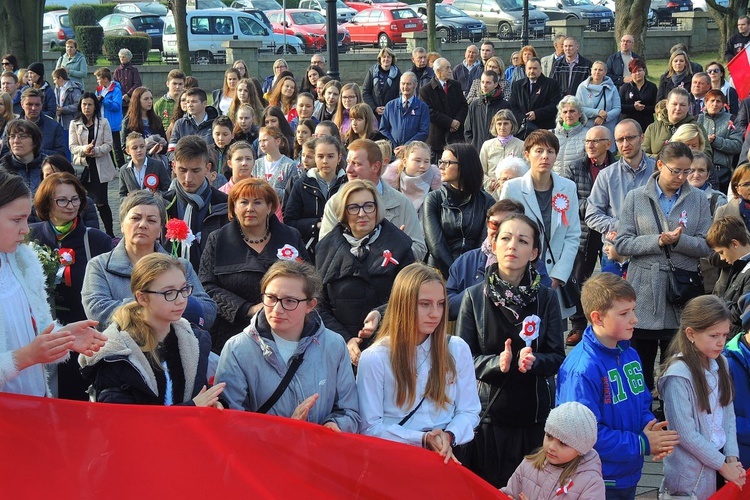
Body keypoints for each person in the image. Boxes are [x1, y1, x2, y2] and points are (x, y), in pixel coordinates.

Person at [457, 213, 565, 487]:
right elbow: (460, 359)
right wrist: (496, 363)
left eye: (522, 240)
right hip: (489, 416)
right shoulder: (472, 296)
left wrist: (535, 361)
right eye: (505, 238)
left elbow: (556, 356)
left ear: (534, 253)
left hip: (534, 415)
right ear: (493, 244)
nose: (512, 246)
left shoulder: (547, 297)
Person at [556, 273, 680, 500]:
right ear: (598, 318)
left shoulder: (629, 353)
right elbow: (582, 435)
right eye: (624, 313)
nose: (635, 319)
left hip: (627, 470)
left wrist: (650, 428)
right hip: (596, 478)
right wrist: (641, 443)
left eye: (633, 310)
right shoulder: (581, 370)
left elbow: (642, 401)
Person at [215, 259, 359, 431]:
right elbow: (228, 422)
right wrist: (286, 430)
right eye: (271, 298)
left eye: (290, 301)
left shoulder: (334, 345)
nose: (277, 309)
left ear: (310, 305)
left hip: (318, 452)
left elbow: (349, 411)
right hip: (262, 456)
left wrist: (333, 426)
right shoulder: (237, 349)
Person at [357, 262, 480, 462]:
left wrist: (448, 436)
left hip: (446, 456)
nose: (435, 313)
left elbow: (470, 410)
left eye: (440, 303)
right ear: (403, 304)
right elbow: (369, 427)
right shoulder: (375, 358)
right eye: (425, 304)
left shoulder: (457, 348)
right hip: (395, 460)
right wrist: (421, 439)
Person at [615, 142, 712, 395]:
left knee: (676, 364)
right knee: (641, 362)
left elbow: (706, 246)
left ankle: (674, 416)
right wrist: (658, 240)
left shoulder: (699, 199)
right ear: (660, 166)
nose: (681, 177)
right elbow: (622, 243)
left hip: (681, 292)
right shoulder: (636, 197)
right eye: (675, 171)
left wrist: (680, 240)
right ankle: (644, 415)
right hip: (644, 291)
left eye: (686, 171)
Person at [0, 170, 106, 397]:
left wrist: (64, 337)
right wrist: (26, 357)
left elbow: (35, 329)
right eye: (16, 220)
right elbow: (29, 351)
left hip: (36, 400)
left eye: (27, 219)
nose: (26, 230)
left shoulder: (23, 260)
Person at [80, 253, 223, 407]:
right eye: (169, 293)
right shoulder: (116, 353)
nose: (181, 300)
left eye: (184, 289)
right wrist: (192, 407)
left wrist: (214, 404)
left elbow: (200, 394)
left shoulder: (192, 340)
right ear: (142, 298)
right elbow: (121, 421)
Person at [199, 177, 307, 353]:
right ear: (234, 207)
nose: (250, 209)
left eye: (257, 202)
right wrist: (247, 309)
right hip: (232, 334)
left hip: (285, 331)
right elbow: (206, 286)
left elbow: (308, 281)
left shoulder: (290, 236)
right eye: (243, 202)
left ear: (270, 207)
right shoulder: (217, 240)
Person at [28, 173, 112, 400]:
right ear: (46, 203)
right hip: (43, 338)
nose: (71, 206)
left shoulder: (97, 240)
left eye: (75, 199)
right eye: (62, 200)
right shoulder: (30, 237)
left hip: (84, 339)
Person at [315, 179, 415, 365]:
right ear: (343, 212)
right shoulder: (325, 249)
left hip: (389, 343)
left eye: (368, 206)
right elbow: (319, 305)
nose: (362, 214)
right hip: (339, 348)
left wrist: (380, 314)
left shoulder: (400, 245)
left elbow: (410, 295)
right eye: (353, 208)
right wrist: (345, 339)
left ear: (377, 209)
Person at [82, 189, 215, 327]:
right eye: (135, 218)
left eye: (151, 220)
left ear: (159, 230)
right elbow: (98, 311)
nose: (142, 225)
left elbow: (208, 310)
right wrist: (163, 306)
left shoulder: (180, 266)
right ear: (122, 225)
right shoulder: (99, 266)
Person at [658, 295, 745, 497]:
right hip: (690, 475)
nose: (721, 342)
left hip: (719, 460)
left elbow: (728, 413)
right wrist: (723, 466)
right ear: (691, 334)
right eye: (714, 336)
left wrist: (732, 457)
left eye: (724, 335)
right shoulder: (678, 375)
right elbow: (686, 434)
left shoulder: (721, 363)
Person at [501, 129, 581, 318]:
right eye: (539, 151)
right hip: (520, 275)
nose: (545, 156)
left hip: (553, 276)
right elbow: (503, 232)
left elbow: (572, 235)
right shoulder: (512, 188)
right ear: (527, 155)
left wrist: (558, 275)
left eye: (550, 151)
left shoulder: (568, 187)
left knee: (553, 336)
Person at [319, 138, 426, 260]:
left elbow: (419, 249)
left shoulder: (401, 203)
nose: (348, 169)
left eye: (356, 164)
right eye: (348, 162)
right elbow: (325, 249)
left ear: (375, 167)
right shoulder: (335, 203)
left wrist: (395, 247)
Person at [561, 125, 616, 345]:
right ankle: (578, 325)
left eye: (595, 141)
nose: (590, 145)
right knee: (578, 277)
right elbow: (569, 200)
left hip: (609, 229)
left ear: (608, 144)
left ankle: (607, 322)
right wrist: (596, 209)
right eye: (587, 141)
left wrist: (603, 213)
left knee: (610, 277)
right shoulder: (575, 168)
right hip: (583, 228)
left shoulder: (616, 167)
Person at [502, 402, 606, 498]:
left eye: (563, 443)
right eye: (549, 436)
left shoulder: (591, 483)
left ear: (580, 450)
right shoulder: (529, 465)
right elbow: (508, 493)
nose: (551, 447)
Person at [423, 143, 494, 279]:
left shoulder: (487, 202)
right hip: (438, 272)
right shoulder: (434, 199)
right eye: (441, 162)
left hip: (475, 272)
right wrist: (456, 274)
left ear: (464, 166)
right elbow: (436, 245)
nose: (441, 167)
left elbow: (484, 245)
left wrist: (470, 274)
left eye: (447, 162)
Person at [445, 198, 524, 319]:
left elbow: (544, 307)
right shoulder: (465, 261)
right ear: (487, 225)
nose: (499, 231)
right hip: (472, 335)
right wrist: (487, 287)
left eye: (506, 225)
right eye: (494, 224)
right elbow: (447, 308)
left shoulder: (531, 264)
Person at [162, 135, 229, 270]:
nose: (188, 178)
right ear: (174, 167)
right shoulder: (163, 204)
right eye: (183, 170)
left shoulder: (224, 205)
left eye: (195, 170)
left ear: (207, 168)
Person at [283, 135, 347, 258]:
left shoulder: (347, 185)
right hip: (309, 250)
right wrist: (316, 224)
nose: (325, 161)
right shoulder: (301, 184)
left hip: (342, 249)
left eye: (330, 156)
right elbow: (290, 222)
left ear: (339, 158)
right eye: (320, 156)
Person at [68, 92, 116, 237]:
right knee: (82, 203)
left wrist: (95, 151)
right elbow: (72, 146)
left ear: (95, 106)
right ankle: (83, 233)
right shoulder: (74, 124)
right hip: (82, 168)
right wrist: (85, 150)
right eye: (84, 104)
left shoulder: (104, 122)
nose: (86, 107)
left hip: (99, 168)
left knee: (102, 203)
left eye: (90, 104)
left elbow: (109, 144)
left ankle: (110, 233)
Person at [419, 58, 469, 161]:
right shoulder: (426, 90)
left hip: (456, 136)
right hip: (437, 139)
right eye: (447, 68)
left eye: (450, 67)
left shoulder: (456, 85)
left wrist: (457, 121)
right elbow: (430, 112)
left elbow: (464, 105)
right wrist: (450, 122)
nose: (450, 70)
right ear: (438, 71)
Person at [707, 216, 750, 333]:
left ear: (735, 244)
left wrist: (716, 306)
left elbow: (742, 312)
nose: (721, 258)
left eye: (721, 252)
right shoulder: (738, 265)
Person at [380, 140, 440, 220]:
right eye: (417, 161)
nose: (422, 165)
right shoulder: (389, 188)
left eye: (426, 161)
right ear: (405, 162)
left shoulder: (435, 188)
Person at [644, 87, 711, 158]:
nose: (678, 108)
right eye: (674, 104)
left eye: (683, 105)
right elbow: (642, 154)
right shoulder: (653, 128)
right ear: (667, 104)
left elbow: (707, 155)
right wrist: (663, 158)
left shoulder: (697, 128)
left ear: (689, 106)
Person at [698, 89, 742, 193]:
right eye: (712, 101)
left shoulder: (732, 120)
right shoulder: (697, 119)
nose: (715, 104)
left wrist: (716, 141)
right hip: (699, 170)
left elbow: (737, 145)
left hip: (723, 172)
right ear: (706, 102)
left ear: (723, 104)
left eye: (718, 101)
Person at [0, 88, 66, 158]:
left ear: (42, 105)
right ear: (22, 105)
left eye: (37, 105)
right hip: (17, 167)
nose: (33, 108)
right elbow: (4, 153)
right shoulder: (11, 126)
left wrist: (31, 151)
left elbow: (61, 155)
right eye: (29, 104)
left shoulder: (54, 127)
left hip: (43, 166)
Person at [40, 154, 99, 228]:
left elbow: (93, 234)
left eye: (57, 174)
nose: (53, 180)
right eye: (48, 176)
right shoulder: (36, 206)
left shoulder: (86, 203)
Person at [378, 72, 430, 157]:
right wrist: (394, 146)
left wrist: (407, 146)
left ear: (415, 85)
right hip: (393, 153)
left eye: (409, 84)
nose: (405, 87)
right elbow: (383, 129)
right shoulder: (390, 106)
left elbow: (424, 131)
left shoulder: (422, 107)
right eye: (403, 84)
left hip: (413, 153)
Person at [509, 57, 562, 140]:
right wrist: (524, 118)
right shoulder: (517, 85)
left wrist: (537, 114)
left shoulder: (552, 84)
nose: (532, 71)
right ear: (525, 70)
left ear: (540, 69)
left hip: (544, 129)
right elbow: (512, 105)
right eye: (529, 68)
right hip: (522, 131)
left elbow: (555, 105)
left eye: (535, 68)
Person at [479, 109, 524, 195]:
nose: (502, 127)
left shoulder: (521, 145)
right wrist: (490, 183)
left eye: (506, 123)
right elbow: (480, 171)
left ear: (512, 125)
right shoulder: (487, 145)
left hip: (515, 193)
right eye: (499, 124)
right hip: (492, 194)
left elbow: (526, 171)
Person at [464, 69, 510, 154]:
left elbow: (509, 130)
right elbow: (467, 130)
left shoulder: (504, 105)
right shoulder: (474, 105)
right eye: (482, 82)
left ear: (496, 84)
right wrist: (472, 147)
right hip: (477, 151)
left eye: (488, 83)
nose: (484, 85)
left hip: (497, 152)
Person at [576, 61, 621, 145]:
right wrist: (598, 112)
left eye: (600, 70)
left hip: (607, 127)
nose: (597, 72)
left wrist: (605, 117)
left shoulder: (612, 88)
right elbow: (578, 108)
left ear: (605, 72)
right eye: (595, 69)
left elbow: (617, 108)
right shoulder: (582, 87)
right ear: (591, 70)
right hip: (587, 127)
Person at [252, 126, 298, 208]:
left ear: (277, 141)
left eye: (265, 140)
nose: (262, 144)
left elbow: (293, 194)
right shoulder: (257, 164)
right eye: (260, 141)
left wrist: (270, 189)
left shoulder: (289, 165)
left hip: (281, 211)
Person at [120, 86, 168, 160]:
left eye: (151, 98)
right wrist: (146, 152)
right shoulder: (128, 121)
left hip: (157, 160)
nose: (150, 101)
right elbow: (124, 147)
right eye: (146, 99)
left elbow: (165, 142)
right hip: (138, 161)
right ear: (137, 101)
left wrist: (161, 148)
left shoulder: (156, 119)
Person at [118, 132, 171, 198]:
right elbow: (122, 195)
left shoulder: (158, 165)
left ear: (145, 147)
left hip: (154, 206)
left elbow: (168, 189)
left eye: (142, 146)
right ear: (128, 151)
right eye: (135, 148)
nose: (139, 150)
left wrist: (159, 195)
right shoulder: (124, 170)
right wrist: (128, 199)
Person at [0, 119, 46, 195]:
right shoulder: (2, 170)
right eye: (12, 136)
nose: (16, 141)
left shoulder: (49, 167)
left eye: (22, 136)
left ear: (35, 141)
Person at [168, 88, 218, 153]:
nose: (190, 105)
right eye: (187, 102)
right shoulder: (180, 124)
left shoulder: (216, 124)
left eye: (194, 101)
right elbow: (171, 151)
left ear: (204, 104)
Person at [93, 67, 125, 169]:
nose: (97, 81)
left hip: (112, 123)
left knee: (116, 146)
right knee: (106, 147)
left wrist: (103, 100)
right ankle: (111, 167)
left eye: (99, 79)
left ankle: (121, 167)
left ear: (105, 79)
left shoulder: (116, 90)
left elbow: (116, 106)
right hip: (101, 122)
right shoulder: (99, 90)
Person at [552, 95, 589, 176]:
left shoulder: (588, 135)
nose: (568, 115)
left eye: (572, 111)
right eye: (565, 112)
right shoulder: (551, 135)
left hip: (577, 184)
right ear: (560, 115)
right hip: (553, 184)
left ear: (580, 114)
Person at [619, 58, 658, 133]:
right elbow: (619, 106)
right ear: (631, 74)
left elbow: (656, 107)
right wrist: (633, 107)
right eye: (634, 71)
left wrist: (644, 108)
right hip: (629, 124)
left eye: (639, 70)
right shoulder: (625, 87)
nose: (637, 73)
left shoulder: (652, 87)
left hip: (647, 124)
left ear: (644, 71)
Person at [51, 68, 82, 133]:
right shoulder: (57, 89)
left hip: (71, 123)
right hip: (60, 122)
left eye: (54, 79)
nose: (54, 82)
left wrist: (63, 109)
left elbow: (78, 105)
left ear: (60, 78)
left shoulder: (74, 89)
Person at [113, 49, 142, 114]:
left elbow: (137, 84)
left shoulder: (134, 70)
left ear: (128, 58)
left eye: (123, 57)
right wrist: (123, 95)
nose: (121, 59)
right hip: (121, 100)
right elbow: (116, 85)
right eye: (120, 57)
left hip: (132, 99)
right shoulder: (117, 71)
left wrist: (128, 94)